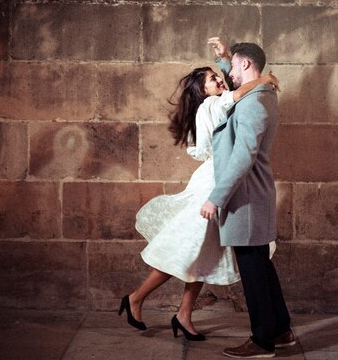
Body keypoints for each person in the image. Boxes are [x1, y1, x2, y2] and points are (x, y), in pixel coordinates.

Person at [118, 39, 279, 342]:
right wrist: (265, 79)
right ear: (203, 90)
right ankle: (136, 298)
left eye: (220, 74)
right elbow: (236, 91)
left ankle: (183, 314)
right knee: (187, 249)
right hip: (214, 182)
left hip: (217, 179)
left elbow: (230, 84)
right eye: (213, 79)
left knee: (203, 253)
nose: (221, 78)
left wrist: (221, 59)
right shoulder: (211, 105)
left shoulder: (214, 100)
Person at [201, 42, 295, 358]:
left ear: (246, 65)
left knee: (253, 270)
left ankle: (262, 341)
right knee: (261, 267)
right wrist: (223, 58)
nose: (228, 75)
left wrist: (216, 198)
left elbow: (243, 157)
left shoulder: (255, 103)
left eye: (233, 67)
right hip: (251, 197)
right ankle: (281, 330)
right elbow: (235, 82)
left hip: (247, 198)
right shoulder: (259, 94)